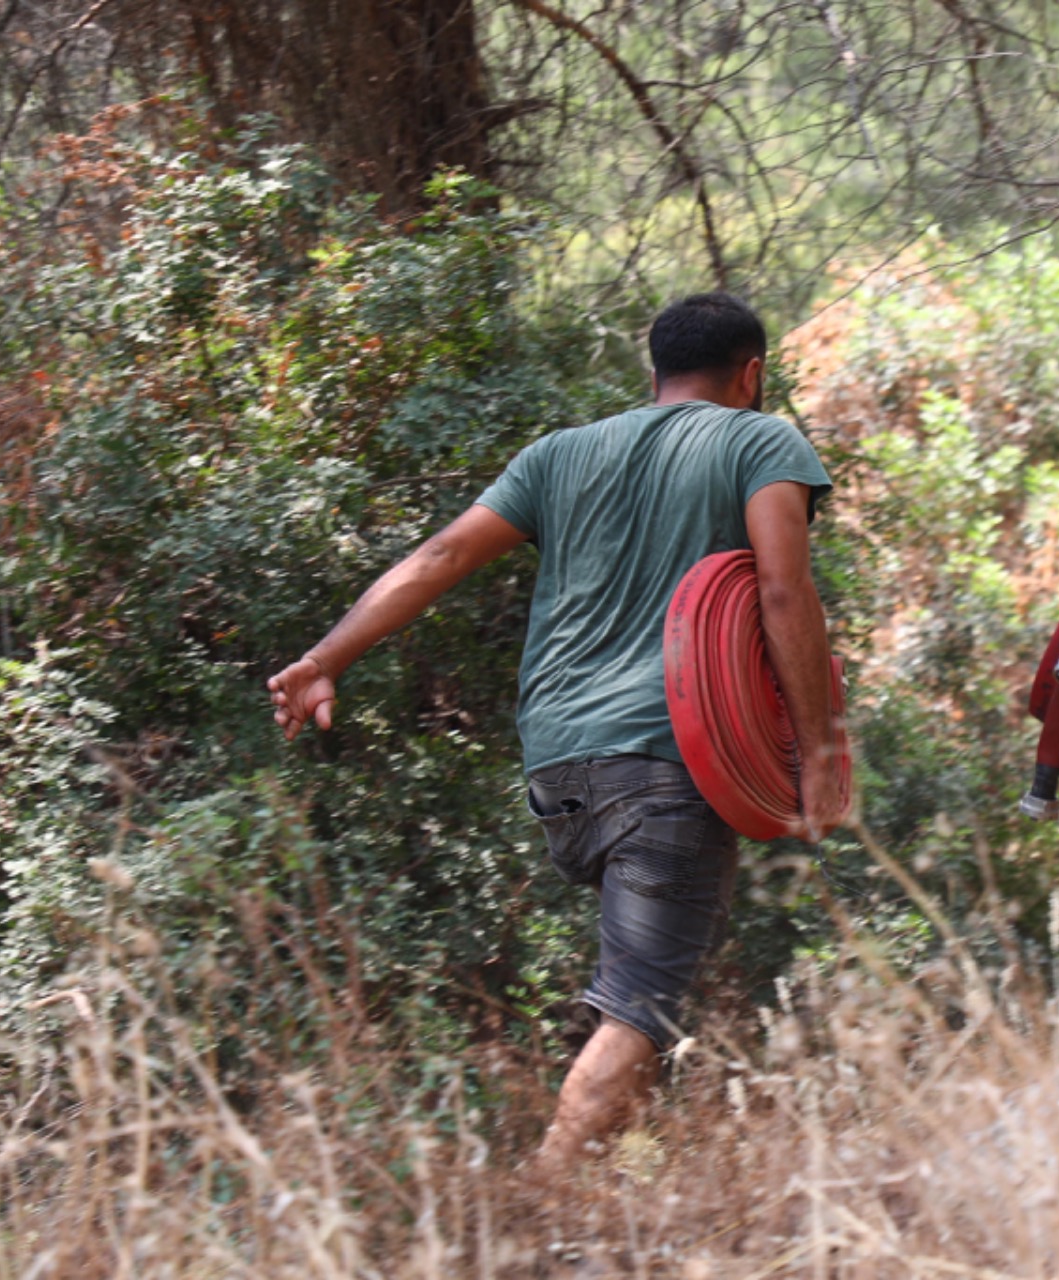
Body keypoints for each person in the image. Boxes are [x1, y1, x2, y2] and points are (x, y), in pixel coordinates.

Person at [266, 292, 841, 1174]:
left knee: (644, 1002)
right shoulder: (759, 441)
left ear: (653, 371)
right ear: (751, 375)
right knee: (639, 1012)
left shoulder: (559, 454)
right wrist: (822, 750)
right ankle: (538, 1203)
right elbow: (779, 592)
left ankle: (611, 1203)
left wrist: (324, 659)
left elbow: (440, 558)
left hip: (559, 767)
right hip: (668, 760)